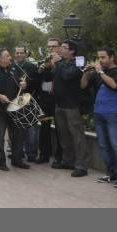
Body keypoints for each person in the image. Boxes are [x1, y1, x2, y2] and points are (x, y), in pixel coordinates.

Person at [81, 47, 117, 187]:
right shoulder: (96, 73)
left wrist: (100, 71)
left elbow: (113, 85)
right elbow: (83, 86)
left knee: (116, 145)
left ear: (111, 57)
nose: (100, 60)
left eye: (103, 57)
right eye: (99, 58)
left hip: (114, 113)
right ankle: (110, 173)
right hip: (98, 113)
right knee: (103, 145)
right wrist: (86, 73)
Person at [0, 48, 30, 171]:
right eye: (7, 56)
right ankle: (1, 162)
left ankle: (17, 160)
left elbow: (22, 81)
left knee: (18, 134)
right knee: (0, 136)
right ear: (0, 59)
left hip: (15, 107)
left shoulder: (14, 68)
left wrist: (23, 84)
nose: (10, 58)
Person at [51, 40, 87, 177]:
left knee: (77, 136)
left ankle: (81, 166)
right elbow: (51, 77)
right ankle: (68, 161)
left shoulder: (79, 61)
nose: (61, 49)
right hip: (59, 104)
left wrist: (58, 63)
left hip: (72, 105)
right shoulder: (61, 63)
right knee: (63, 135)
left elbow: (68, 75)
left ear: (72, 51)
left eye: (64, 48)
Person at [36, 38, 63, 164]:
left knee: (59, 130)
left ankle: (59, 157)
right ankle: (44, 155)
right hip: (45, 101)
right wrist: (41, 71)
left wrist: (54, 65)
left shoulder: (62, 62)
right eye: (49, 46)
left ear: (59, 47)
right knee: (44, 128)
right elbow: (41, 81)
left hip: (58, 101)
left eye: (53, 46)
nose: (50, 49)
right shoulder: (43, 62)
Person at [12, 46, 40, 162]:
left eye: (21, 53)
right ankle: (18, 153)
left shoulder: (32, 67)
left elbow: (37, 83)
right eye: (17, 53)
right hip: (16, 101)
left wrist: (27, 84)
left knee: (32, 130)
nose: (19, 55)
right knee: (17, 130)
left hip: (30, 101)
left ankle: (31, 154)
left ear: (25, 54)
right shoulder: (11, 67)